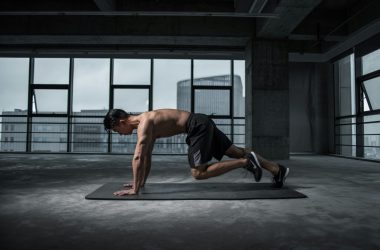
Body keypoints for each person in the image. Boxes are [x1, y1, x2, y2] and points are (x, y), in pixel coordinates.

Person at [103, 109, 289, 196]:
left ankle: (246, 162)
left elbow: (137, 157)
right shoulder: (146, 121)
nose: (120, 134)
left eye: (116, 131)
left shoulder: (144, 124)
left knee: (198, 173)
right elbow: (146, 156)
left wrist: (135, 190)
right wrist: (140, 183)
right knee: (236, 151)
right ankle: (277, 170)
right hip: (201, 121)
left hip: (196, 126)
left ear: (120, 122)